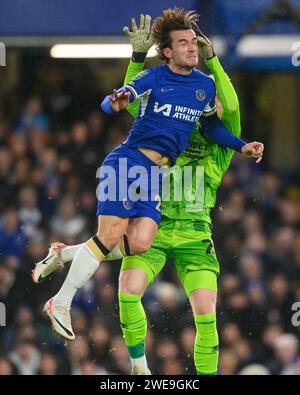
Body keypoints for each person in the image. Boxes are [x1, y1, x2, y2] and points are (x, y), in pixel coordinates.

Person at [33, 9, 263, 343]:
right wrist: (118, 98)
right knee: (109, 236)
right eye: (182, 43)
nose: (191, 48)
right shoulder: (154, 78)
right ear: (167, 52)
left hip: (155, 176)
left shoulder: (202, 85)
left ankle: (65, 253)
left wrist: (242, 147)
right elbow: (121, 97)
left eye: (192, 42)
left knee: (140, 243)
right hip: (128, 162)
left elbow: (212, 126)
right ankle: (60, 302)